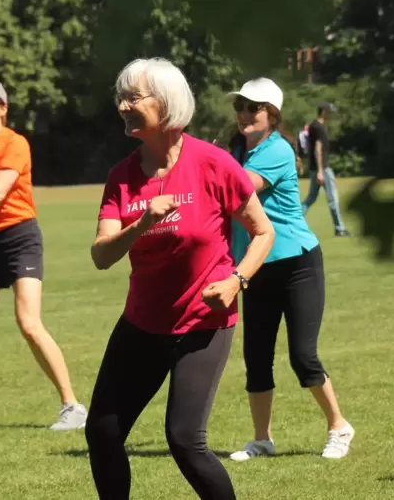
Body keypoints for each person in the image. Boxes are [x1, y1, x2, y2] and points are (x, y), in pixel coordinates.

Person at [85, 58, 275, 499]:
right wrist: (140, 225)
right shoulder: (122, 178)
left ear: (166, 103)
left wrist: (236, 281)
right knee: (103, 432)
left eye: (135, 97)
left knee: (185, 441)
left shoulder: (213, 163)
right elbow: (101, 255)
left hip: (202, 325)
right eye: (122, 98)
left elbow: (263, 233)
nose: (124, 106)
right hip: (141, 324)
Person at [225, 78, 355, 462]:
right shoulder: (236, 151)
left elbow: (238, 191)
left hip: (297, 263)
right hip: (256, 265)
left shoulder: (277, 151)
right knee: (257, 356)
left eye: (254, 107)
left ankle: (338, 426)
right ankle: (262, 439)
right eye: (242, 106)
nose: (245, 113)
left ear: (272, 115)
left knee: (302, 355)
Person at [0, 78, 87, 430]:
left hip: (20, 237)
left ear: (3, 108)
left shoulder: (15, 144)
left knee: (28, 322)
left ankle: (72, 406)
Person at [300, 102, 351, 236]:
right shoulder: (319, 128)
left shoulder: (314, 126)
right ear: (323, 112)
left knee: (311, 197)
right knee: (333, 198)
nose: (331, 114)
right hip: (322, 168)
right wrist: (321, 171)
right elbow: (318, 150)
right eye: (329, 111)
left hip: (315, 167)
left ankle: (294, 219)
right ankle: (340, 229)